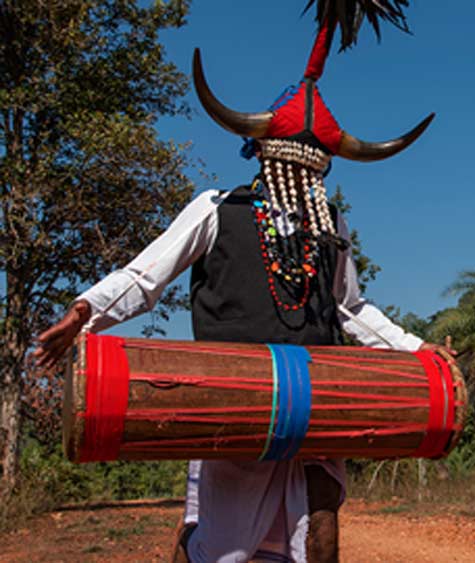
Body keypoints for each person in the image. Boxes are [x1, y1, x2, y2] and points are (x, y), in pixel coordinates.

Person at [33, 3, 448, 561]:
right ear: (265, 157)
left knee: (321, 533)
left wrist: (419, 351)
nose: (302, 178)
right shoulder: (216, 210)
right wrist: (86, 311)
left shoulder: (331, 228)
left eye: (312, 170)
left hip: (318, 400)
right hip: (234, 400)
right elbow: (144, 278)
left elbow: (350, 308)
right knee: (224, 551)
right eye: (292, 166)